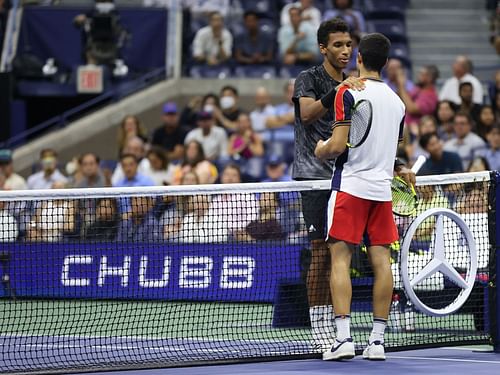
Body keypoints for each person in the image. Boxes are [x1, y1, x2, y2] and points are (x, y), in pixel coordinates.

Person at [314, 33, 406, 361]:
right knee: (382, 263)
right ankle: (377, 342)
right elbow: (393, 150)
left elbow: (337, 146)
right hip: (382, 193)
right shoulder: (398, 103)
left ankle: (343, 339)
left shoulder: (348, 91)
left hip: (351, 187)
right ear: (386, 62)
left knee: (340, 260)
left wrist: (321, 147)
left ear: (360, 59)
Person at [292, 17, 362, 353]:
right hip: (315, 178)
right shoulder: (308, 79)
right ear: (323, 48)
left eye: (349, 44)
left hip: (350, 178)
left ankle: (343, 329)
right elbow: (307, 115)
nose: (346, 50)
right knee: (321, 252)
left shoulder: (358, 85)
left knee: (344, 254)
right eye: (338, 45)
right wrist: (340, 89)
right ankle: (320, 329)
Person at [396, 65, 439, 132]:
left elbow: (412, 109)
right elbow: (402, 99)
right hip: (404, 128)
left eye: (422, 74)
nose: (419, 76)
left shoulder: (431, 96)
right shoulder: (417, 89)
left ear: (430, 78)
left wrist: (401, 85)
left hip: (416, 132)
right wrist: (399, 83)